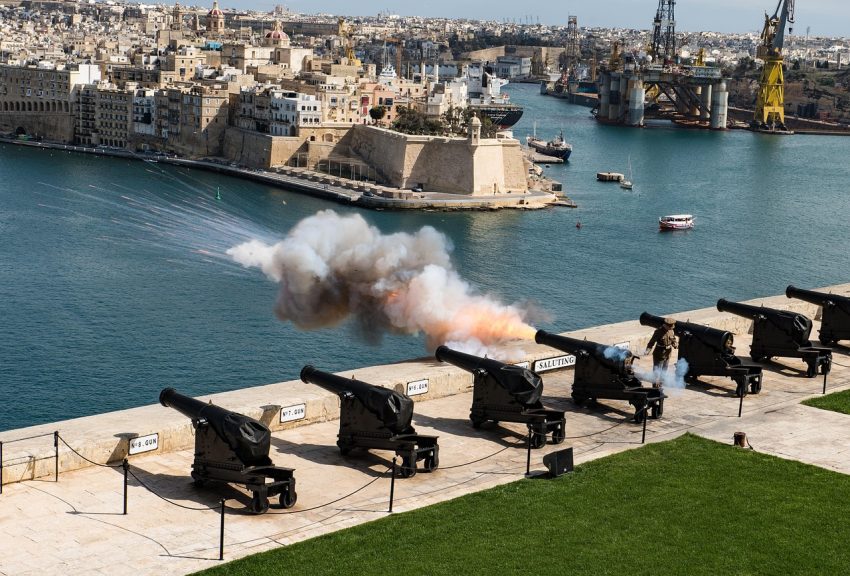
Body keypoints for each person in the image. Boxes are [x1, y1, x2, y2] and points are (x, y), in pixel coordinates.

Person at [645, 317, 678, 387]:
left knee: (664, 370)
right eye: (670, 326)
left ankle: (661, 383)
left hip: (668, 354)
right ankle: (655, 385)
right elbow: (651, 342)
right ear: (666, 325)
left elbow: (673, 339)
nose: (671, 328)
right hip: (659, 353)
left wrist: (675, 344)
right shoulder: (658, 332)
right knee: (657, 370)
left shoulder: (671, 331)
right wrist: (648, 349)